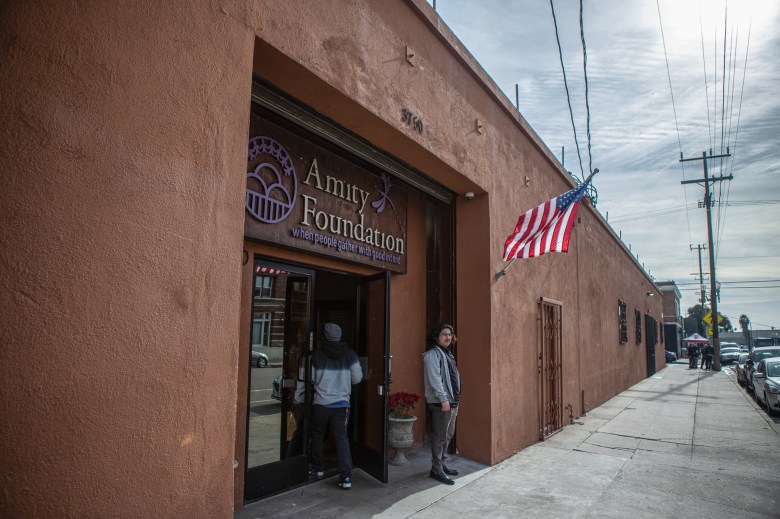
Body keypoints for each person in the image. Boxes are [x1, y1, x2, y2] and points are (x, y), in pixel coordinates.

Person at [309, 323, 363, 490]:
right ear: (340, 336)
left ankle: (318, 468)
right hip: (341, 405)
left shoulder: (316, 356)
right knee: (342, 439)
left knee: (317, 436)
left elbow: (310, 379)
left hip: (320, 404)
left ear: (324, 336)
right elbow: (357, 379)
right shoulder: (350, 355)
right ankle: (346, 477)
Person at [423, 323, 461, 485]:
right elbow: (435, 379)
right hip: (441, 402)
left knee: (448, 434)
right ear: (437, 336)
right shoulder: (433, 354)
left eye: (450, 335)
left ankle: (442, 463)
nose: (448, 337)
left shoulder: (447, 353)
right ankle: (436, 470)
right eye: (444, 334)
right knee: (439, 436)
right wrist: (443, 399)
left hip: (452, 401)